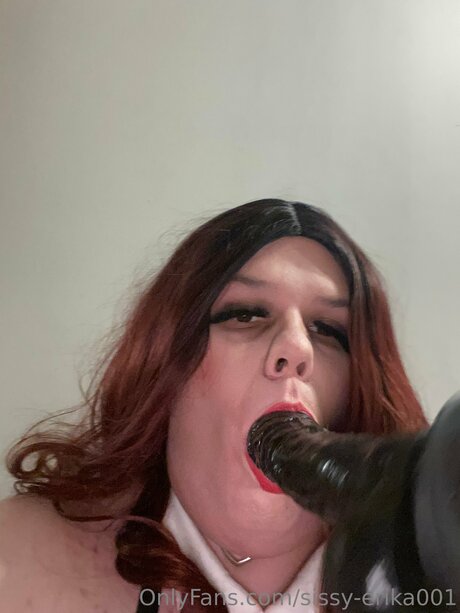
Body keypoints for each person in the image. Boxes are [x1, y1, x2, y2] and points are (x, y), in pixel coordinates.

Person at [0, 199, 429, 613]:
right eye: (245, 314)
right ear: (168, 364)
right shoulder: (22, 561)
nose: (297, 347)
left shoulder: (426, 576)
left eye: (328, 330)